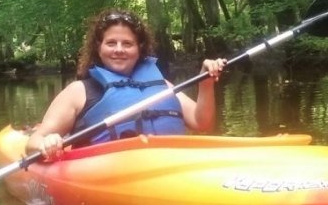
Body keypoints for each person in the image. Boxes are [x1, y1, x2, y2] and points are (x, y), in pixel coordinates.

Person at [26, 8, 226, 161]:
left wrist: (205, 83)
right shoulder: (78, 92)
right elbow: (34, 141)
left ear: (139, 48)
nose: (119, 50)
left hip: (170, 166)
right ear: (99, 47)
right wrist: (46, 142)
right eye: (111, 43)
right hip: (108, 174)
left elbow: (202, 123)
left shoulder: (162, 85)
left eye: (127, 44)